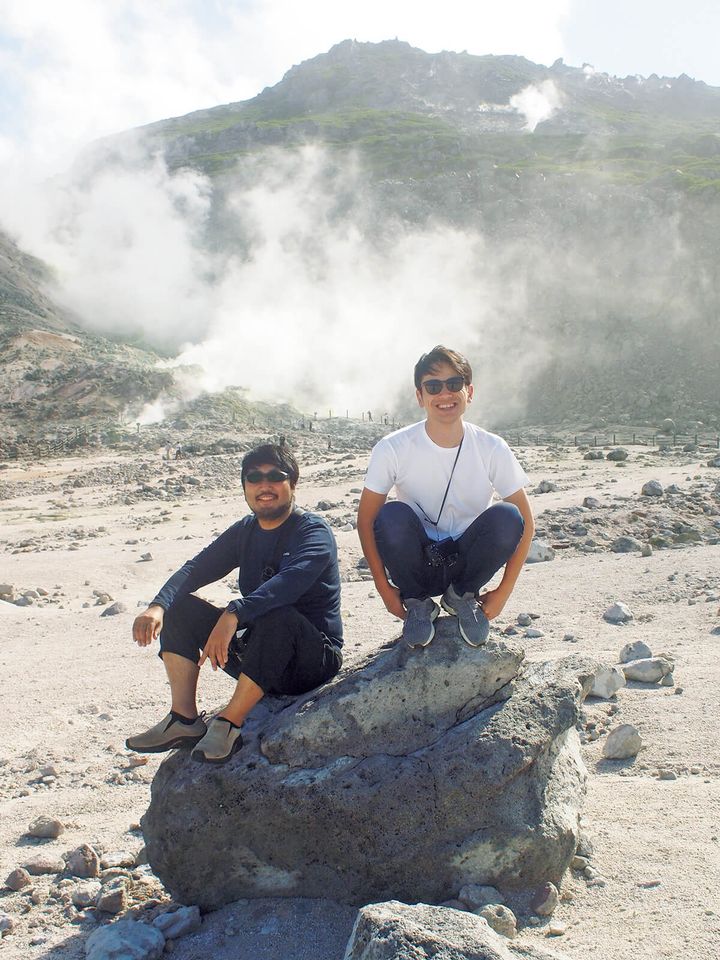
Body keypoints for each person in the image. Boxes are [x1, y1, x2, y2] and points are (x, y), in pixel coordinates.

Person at [127, 443, 343, 765]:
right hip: (260, 654)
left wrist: (234, 613)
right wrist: (158, 605)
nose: (264, 485)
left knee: (278, 614)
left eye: (275, 476)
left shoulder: (313, 531)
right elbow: (196, 569)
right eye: (254, 478)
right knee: (180, 608)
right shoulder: (246, 530)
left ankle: (229, 723)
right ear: (244, 486)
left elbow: (290, 582)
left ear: (292, 484)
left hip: (311, 661)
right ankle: (183, 720)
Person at [357, 345, 534, 649]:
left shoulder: (492, 447)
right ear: (419, 396)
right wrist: (385, 588)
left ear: (469, 391)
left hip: (465, 563)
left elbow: (526, 524)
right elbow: (366, 520)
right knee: (390, 516)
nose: (445, 394)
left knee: (508, 517)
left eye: (454, 384)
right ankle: (418, 603)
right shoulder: (393, 448)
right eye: (433, 386)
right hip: (416, 562)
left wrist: (504, 591)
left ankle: (461, 597)